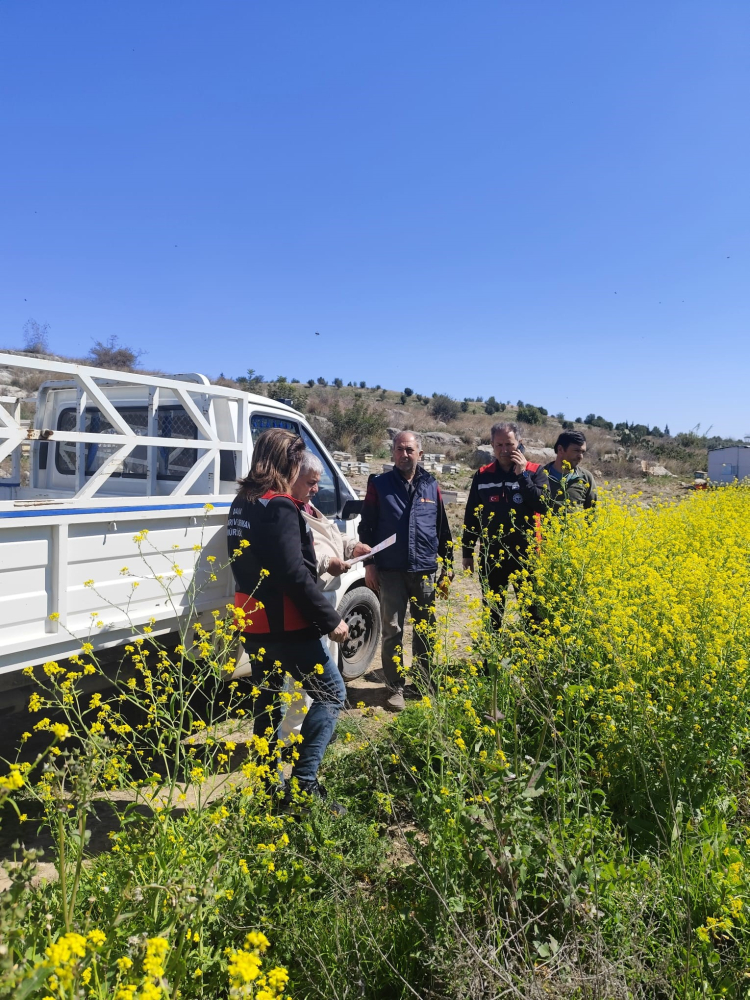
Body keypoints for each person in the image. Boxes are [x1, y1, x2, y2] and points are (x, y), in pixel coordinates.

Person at [227, 428, 348, 808]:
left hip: (252, 619)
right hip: (285, 622)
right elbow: (293, 573)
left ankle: (268, 787)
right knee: (332, 693)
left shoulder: (242, 502)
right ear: (286, 461)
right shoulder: (279, 505)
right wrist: (330, 619)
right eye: (297, 460)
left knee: (268, 701)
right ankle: (304, 785)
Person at [359, 431, 453, 712]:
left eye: (409, 450)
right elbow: (367, 527)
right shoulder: (379, 485)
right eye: (399, 449)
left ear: (419, 454)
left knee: (426, 630)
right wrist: (369, 564)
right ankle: (395, 687)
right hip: (390, 570)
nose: (404, 454)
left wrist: (448, 566)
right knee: (392, 630)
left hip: (424, 570)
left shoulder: (431, 485)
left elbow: (442, 528)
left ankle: (423, 683)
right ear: (393, 453)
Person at [462, 422, 546, 629]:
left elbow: (542, 505)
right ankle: (492, 650)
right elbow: (472, 516)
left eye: (509, 444)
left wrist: (522, 475)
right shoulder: (483, 475)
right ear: (492, 445)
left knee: (532, 616)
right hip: (492, 556)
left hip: (527, 557)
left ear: (519, 443)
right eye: (499, 445)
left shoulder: (535, 471)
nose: (504, 450)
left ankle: (531, 651)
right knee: (492, 614)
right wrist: (467, 552)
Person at [541, 430, 598, 511]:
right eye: (576, 451)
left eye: (582, 452)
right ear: (560, 449)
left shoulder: (586, 477)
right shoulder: (540, 475)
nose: (580, 456)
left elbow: (592, 512)